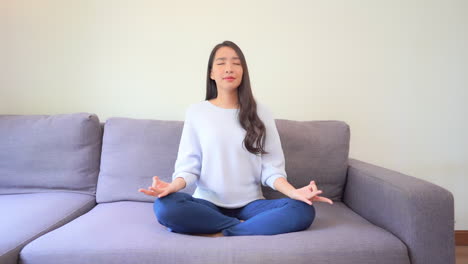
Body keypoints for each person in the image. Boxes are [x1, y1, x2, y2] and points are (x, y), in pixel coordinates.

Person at [138, 40, 333, 237]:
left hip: (251, 205)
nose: (229, 68)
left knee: (302, 209)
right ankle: (243, 227)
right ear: (211, 73)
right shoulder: (197, 112)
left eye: (236, 63)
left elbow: (271, 169)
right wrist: (172, 187)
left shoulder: (261, 112)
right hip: (207, 204)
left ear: (243, 72)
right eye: (221, 63)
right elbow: (189, 167)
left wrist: (294, 193)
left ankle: (223, 230)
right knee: (165, 206)